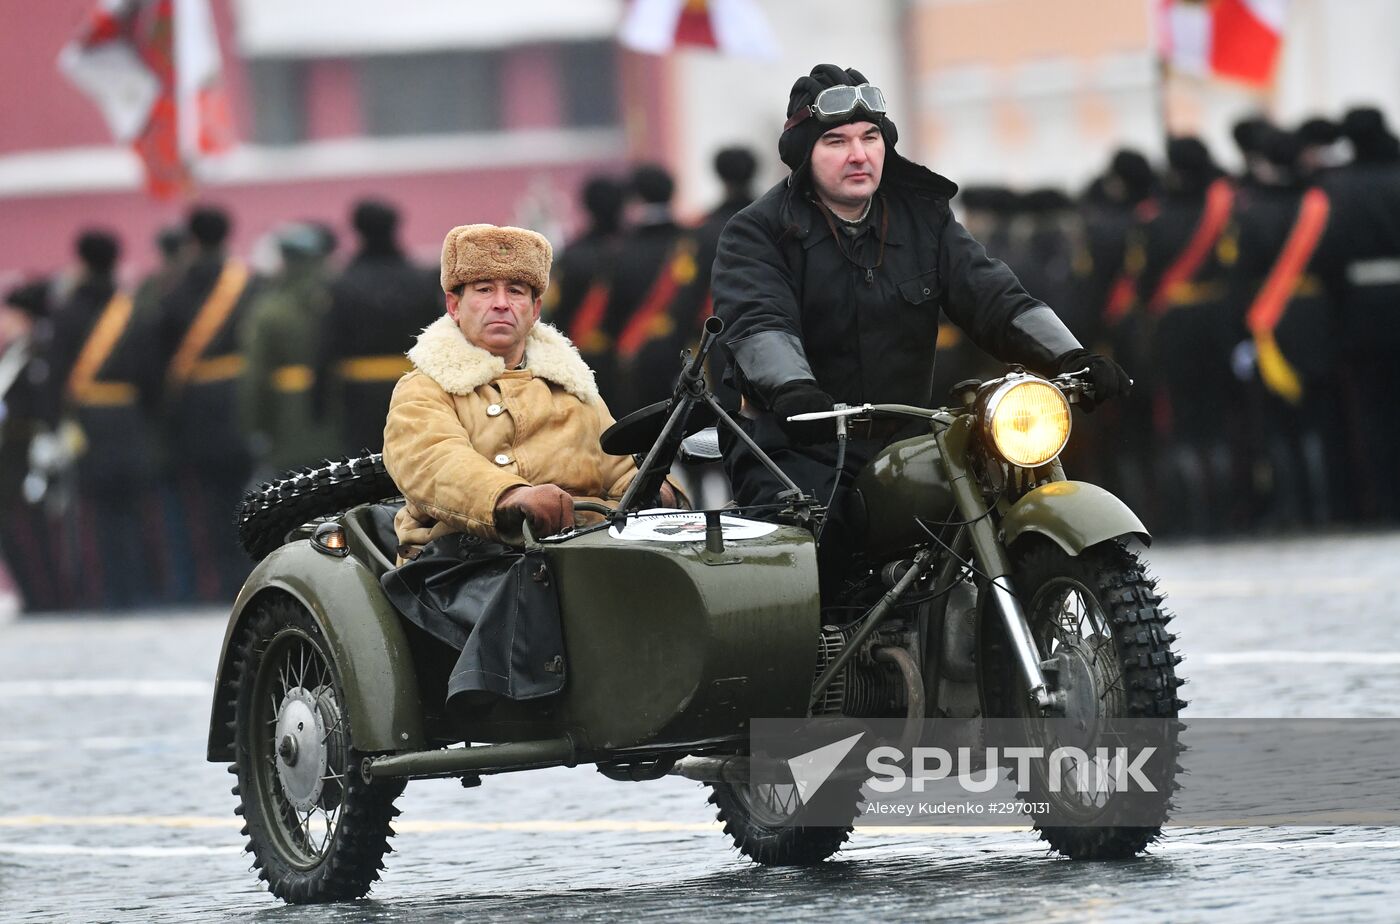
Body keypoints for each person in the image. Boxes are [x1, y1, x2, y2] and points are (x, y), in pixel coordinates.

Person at [710, 64, 1128, 596]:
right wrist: (794, 391)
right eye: (836, 141)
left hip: (906, 438)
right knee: (815, 551)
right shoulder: (758, 231)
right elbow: (759, 320)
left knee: (1001, 491)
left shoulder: (923, 219)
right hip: (796, 445)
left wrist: (1071, 358)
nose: (859, 154)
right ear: (804, 156)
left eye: (870, 138)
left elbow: (993, 295)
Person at [380, 224, 680, 704]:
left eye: (516, 291)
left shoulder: (576, 389)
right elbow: (434, 461)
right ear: (453, 305)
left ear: (535, 309)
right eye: (483, 290)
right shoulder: (423, 388)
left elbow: (619, 466)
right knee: (540, 586)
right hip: (461, 564)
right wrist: (510, 496)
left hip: (584, 550)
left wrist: (656, 493)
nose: (502, 303)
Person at [157, 205, 256, 601]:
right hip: (242, 400)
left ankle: (220, 584)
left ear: (193, 240)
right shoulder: (249, 283)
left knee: (213, 506)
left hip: (196, 408)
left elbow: (162, 350)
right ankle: (247, 578)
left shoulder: (175, 286)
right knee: (248, 498)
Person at [313, 199, 442, 456]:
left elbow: (327, 345)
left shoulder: (343, 284)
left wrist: (318, 402)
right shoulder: (420, 280)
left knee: (363, 471)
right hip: (414, 388)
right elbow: (440, 337)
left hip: (359, 396)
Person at [238, 223, 340, 476]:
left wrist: (255, 425)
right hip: (338, 417)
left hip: (286, 421)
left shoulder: (269, 310)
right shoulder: (338, 301)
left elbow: (256, 377)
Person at [542, 176, 626, 402]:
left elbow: (553, 312)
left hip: (581, 361)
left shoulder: (573, 256)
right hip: (632, 362)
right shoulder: (640, 251)